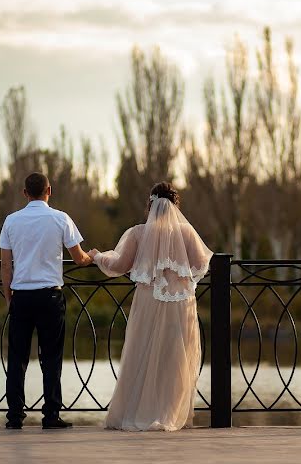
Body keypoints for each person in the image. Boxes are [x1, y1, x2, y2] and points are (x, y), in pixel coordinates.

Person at [90, 181, 213, 431]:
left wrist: (97, 257)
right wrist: (179, 275)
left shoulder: (138, 233)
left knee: (142, 351)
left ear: (150, 205)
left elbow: (119, 266)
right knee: (175, 356)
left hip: (148, 301)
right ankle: (170, 412)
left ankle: (140, 411)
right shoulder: (187, 233)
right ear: (175, 206)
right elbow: (202, 264)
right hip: (180, 302)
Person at [0, 172, 94, 429]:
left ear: (24, 192)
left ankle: (15, 417)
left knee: (17, 358)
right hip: (50, 296)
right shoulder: (60, 219)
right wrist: (92, 256)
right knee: (51, 358)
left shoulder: (11, 221)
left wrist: (9, 297)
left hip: (22, 297)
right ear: (49, 190)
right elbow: (78, 258)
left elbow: (6, 266)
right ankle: (51, 415)